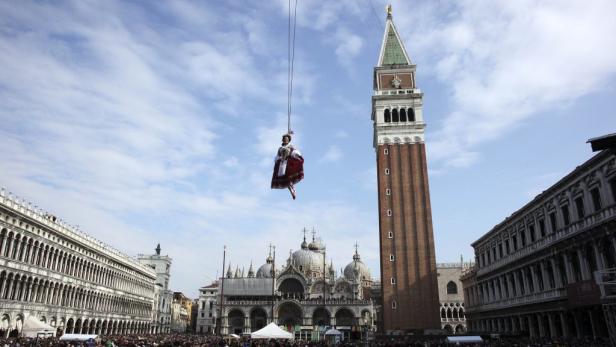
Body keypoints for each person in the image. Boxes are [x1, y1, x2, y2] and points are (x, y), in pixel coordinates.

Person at [271, 134, 304, 199]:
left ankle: (292, 190)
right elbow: (277, 156)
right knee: (285, 179)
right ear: (283, 140)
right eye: (285, 139)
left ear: (289, 140)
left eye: (287, 139)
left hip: (288, 163)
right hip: (282, 164)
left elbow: (294, 152)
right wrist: (278, 159)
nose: (286, 140)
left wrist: (296, 155)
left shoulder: (290, 147)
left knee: (289, 176)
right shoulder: (280, 148)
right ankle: (291, 189)